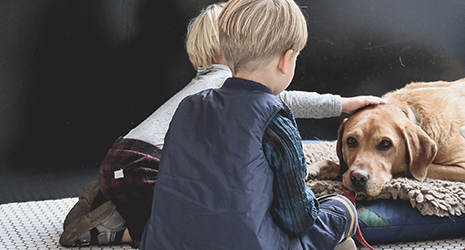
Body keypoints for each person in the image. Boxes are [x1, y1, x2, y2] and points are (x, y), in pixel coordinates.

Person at [59, 1, 384, 248]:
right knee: (340, 210)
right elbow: (297, 218)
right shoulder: (276, 118)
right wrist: (327, 204)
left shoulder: (190, 105)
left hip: (170, 241)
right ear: (286, 59)